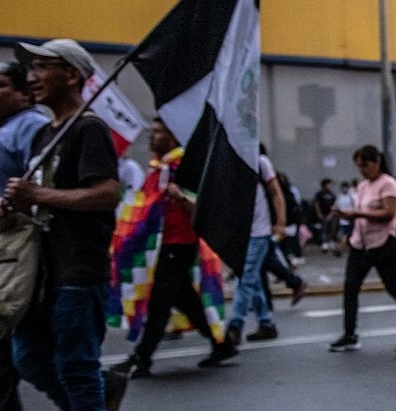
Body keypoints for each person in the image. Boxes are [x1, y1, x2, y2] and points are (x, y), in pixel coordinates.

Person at [0, 38, 135, 411]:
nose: (31, 75)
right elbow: (37, 199)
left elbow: (106, 193)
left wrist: (40, 197)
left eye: (42, 67)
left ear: (73, 75)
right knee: (29, 358)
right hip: (41, 271)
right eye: (30, 67)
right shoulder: (41, 134)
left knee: (76, 368)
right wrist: (10, 206)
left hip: (80, 269)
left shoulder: (89, 129)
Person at [109, 119, 224, 377]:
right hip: (161, 244)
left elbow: (203, 205)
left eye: (158, 132)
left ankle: (142, 357)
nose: (152, 137)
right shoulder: (158, 169)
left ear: (173, 137)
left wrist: (181, 197)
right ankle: (222, 344)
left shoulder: (183, 166)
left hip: (180, 242)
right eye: (152, 131)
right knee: (183, 297)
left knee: (160, 300)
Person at [0, 61, 48, 411]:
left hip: (12, 254)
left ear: (24, 93)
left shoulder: (29, 126)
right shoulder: (0, 131)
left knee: (23, 342)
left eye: (0, 84)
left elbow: (35, 183)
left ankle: (97, 398)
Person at [329, 146, 396, 352]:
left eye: (366, 165)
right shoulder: (362, 186)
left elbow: (388, 213)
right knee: (350, 287)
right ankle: (350, 333)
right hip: (360, 243)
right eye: (359, 166)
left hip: (383, 242)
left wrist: (358, 214)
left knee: (393, 286)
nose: (363, 170)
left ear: (376, 162)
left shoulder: (388, 184)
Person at [221, 147, 288, 353]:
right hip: (239, 232)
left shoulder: (260, 162)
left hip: (259, 231)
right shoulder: (226, 162)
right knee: (253, 279)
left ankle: (236, 325)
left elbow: (275, 191)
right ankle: (266, 323)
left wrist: (281, 221)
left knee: (245, 277)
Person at [313, 178, 337, 252]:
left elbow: (334, 205)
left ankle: (330, 241)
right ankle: (324, 243)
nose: (330, 186)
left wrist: (331, 214)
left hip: (330, 215)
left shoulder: (331, 194)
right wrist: (319, 213)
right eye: (328, 184)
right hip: (323, 214)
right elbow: (316, 204)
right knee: (324, 229)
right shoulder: (320, 194)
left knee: (332, 228)